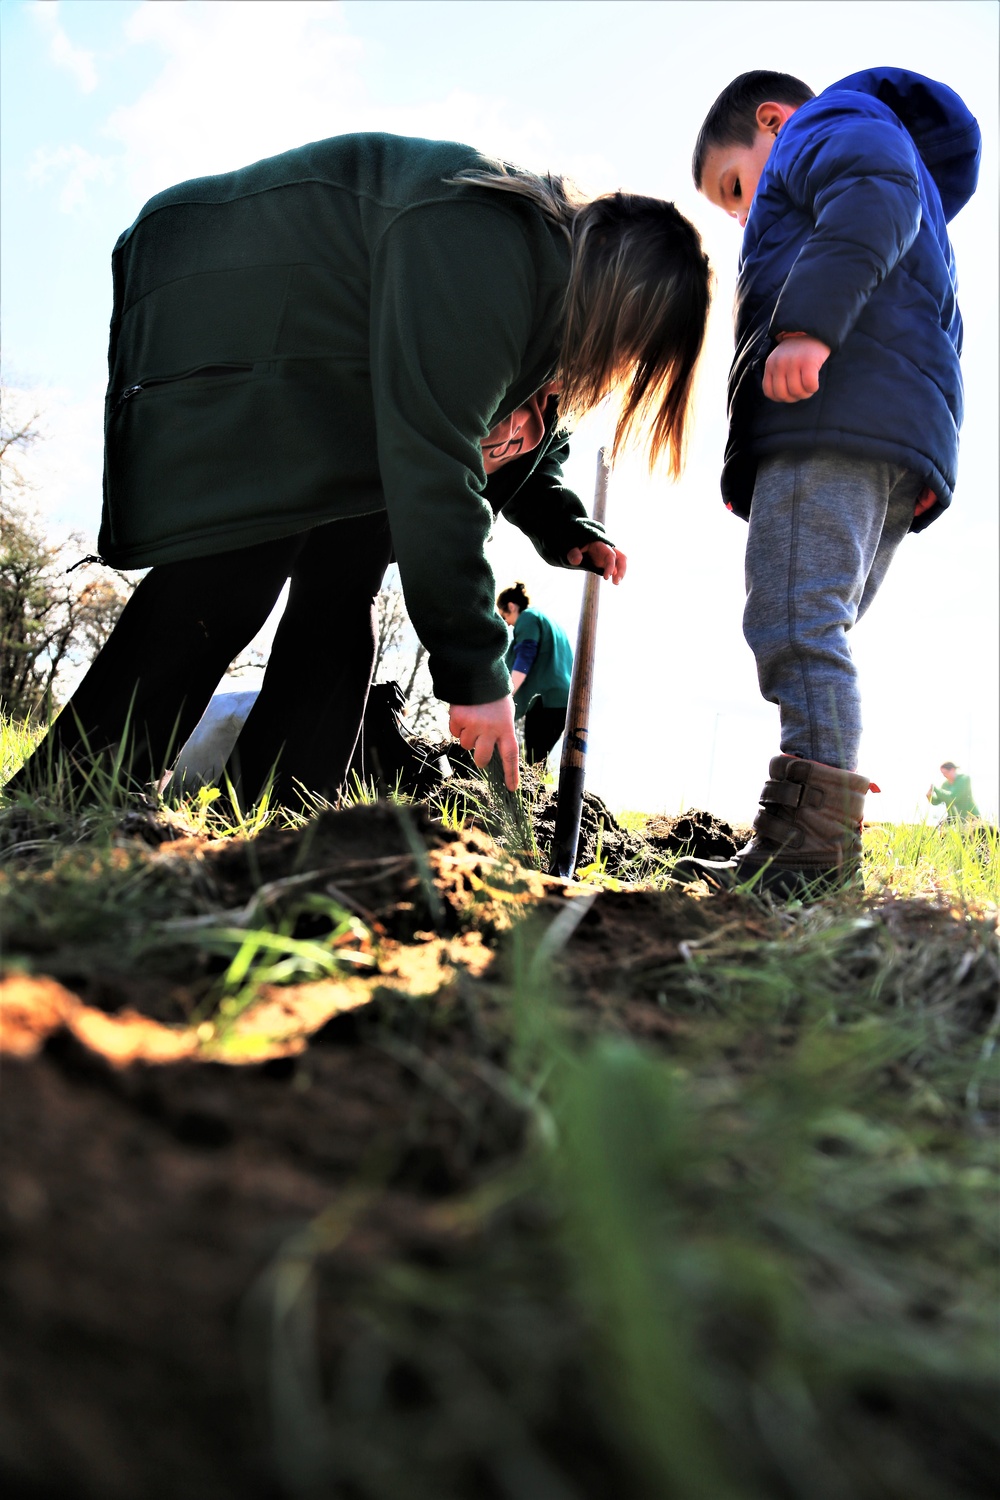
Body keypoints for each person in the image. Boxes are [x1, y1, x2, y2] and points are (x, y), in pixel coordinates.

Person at [8, 133, 710, 807]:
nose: (622, 366)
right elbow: (438, 457)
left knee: (345, 582)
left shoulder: (545, 313)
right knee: (240, 559)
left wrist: (562, 522)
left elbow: (522, 433)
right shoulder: (485, 245)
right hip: (247, 306)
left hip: (346, 383)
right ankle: (76, 785)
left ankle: (282, 802)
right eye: (633, 343)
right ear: (620, 300)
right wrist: (476, 671)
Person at [676, 68, 980, 894]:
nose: (743, 213)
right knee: (814, 626)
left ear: (772, 121)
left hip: (832, 414)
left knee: (794, 619)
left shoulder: (831, 125)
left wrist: (805, 327)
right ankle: (809, 829)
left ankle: (809, 854)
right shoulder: (879, 152)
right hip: (887, 431)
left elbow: (871, 194)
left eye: (735, 186)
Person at [497, 582, 574, 766]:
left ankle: (529, 793)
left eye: (504, 615)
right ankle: (535, 792)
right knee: (538, 758)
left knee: (533, 759)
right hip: (564, 702)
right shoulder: (549, 621)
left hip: (546, 700)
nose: (506, 623)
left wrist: (505, 694)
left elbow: (525, 656)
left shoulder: (528, 618)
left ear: (512, 606)